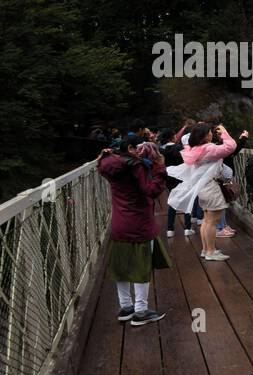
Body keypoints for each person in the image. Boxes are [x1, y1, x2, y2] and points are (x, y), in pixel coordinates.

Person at [97, 132, 172, 325]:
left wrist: (108, 153)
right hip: (139, 224)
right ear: (130, 149)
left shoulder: (111, 163)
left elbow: (101, 164)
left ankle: (126, 307)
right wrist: (159, 167)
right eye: (140, 146)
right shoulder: (136, 166)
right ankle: (140, 311)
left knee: (122, 267)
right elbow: (152, 190)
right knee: (141, 266)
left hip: (119, 223)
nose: (143, 150)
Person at [169, 121, 244, 260]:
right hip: (212, 188)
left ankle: (206, 249)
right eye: (209, 131)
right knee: (212, 221)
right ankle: (211, 251)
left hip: (204, 188)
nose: (211, 133)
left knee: (207, 220)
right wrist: (224, 132)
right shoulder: (209, 149)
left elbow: (185, 138)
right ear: (204, 135)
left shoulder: (194, 149)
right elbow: (231, 146)